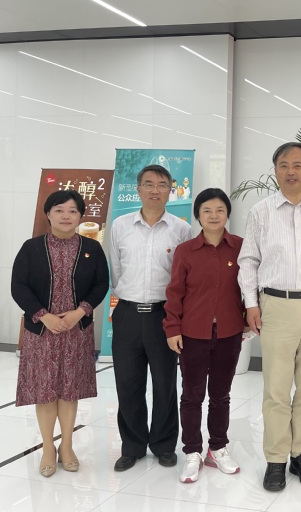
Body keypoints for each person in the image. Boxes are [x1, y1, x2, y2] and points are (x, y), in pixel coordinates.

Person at [238, 142, 301, 491]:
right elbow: (248, 260)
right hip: (277, 305)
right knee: (277, 389)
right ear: (275, 171)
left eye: (297, 165)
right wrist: (251, 304)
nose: (291, 171)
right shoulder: (261, 211)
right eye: (284, 165)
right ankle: (276, 459)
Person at [11, 190, 109, 477]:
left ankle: (67, 445)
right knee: (44, 393)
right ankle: (47, 448)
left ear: (80, 216)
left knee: (69, 390)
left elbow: (101, 284)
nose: (66, 216)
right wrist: (44, 315)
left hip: (76, 331)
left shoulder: (92, 248)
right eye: (59, 210)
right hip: (42, 332)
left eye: (72, 211)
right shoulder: (31, 248)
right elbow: (19, 286)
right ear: (48, 214)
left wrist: (80, 312)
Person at [110, 164, 192, 471]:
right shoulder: (120, 225)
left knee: (165, 384)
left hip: (164, 316)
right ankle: (132, 446)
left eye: (161, 185)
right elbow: (116, 271)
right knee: (127, 384)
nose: (155, 190)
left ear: (171, 190)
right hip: (128, 313)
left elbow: (184, 279)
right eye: (148, 184)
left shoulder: (181, 230)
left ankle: (164, 444)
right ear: (138, 189)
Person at [164, 188, 249, 483]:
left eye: (219, 210)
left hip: (229, 332)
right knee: (192, 395)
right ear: (198, 216)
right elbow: (175, 293)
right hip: (192, 333)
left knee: (221, 395)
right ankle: (192, 452)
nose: (214, 216)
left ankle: (218, 448)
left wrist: (248, 317)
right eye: (207, 211)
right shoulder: (186, 250)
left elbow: (249, 286)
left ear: (227, 214)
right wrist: (172, 328)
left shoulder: (240, 247)